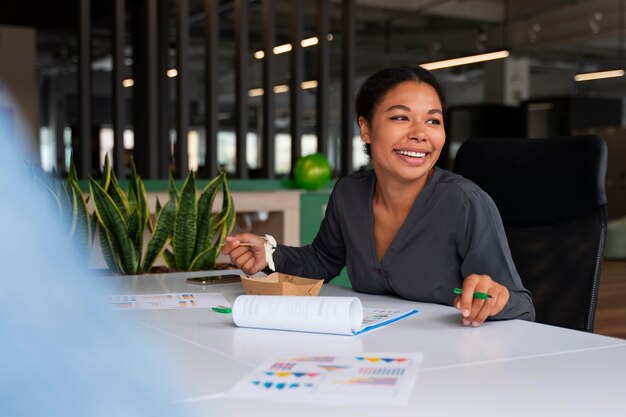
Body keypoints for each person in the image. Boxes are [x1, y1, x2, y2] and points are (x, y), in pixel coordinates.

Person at [222, 66, 535, 327]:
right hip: (372, 348)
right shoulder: (349, 193)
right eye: (401, 117)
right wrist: (270, 256)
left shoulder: (466, 203)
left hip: (450, 362)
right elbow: (323, 260)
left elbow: (521, 305)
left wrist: (496, 298)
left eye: (433, 120)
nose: (420, 133)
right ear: (366, 129)